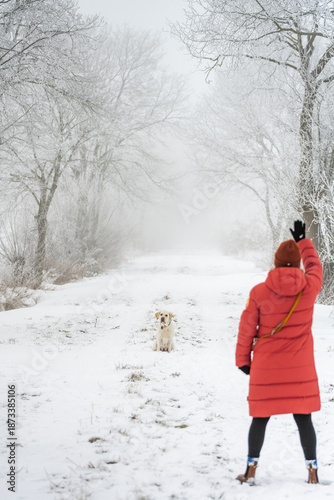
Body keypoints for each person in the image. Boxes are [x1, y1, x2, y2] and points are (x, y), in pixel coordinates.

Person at [235, 220, 322, 485]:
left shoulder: (260, 292)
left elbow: (246, 328)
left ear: (274, 262)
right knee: (304, 419)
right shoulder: (309, 289)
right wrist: (303, 242)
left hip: (266, 369)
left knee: (260, 418)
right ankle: (313, 473)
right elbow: (316, 267)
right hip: (300, 368)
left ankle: (251, 470)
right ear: (297, 264)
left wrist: (242, 361)